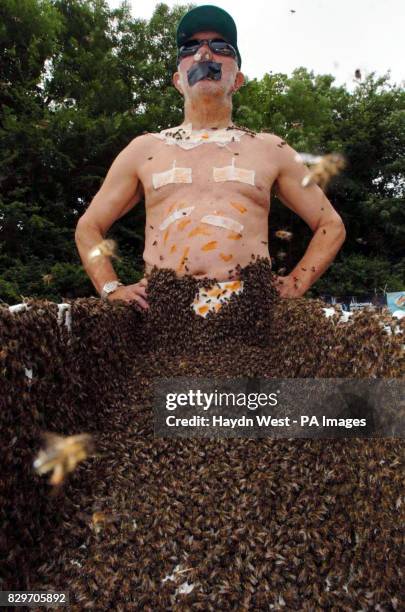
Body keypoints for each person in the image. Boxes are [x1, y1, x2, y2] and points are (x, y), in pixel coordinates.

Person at [75, 5, 345, 314]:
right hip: (162, 320)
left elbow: (330, 224)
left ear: (237, 80)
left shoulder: (271, 149)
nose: (204, 54)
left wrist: (296, 282)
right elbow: (88, 227)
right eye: (191, 48)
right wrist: (111, 287)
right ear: (179, 80)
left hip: (250, 320)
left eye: (220, 47)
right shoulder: (143, 150)